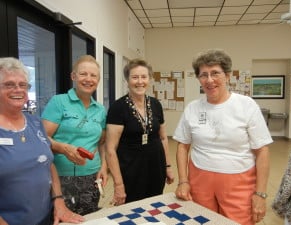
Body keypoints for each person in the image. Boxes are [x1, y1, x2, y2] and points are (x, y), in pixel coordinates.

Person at [173, 49, 273, 225]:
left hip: (238, 183)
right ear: (198, 79)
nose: (209, 80)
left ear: (227, 76)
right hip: (199, 180)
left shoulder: (246, 106)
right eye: (204, 75)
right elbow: (182, 146)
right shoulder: (193, 108)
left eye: (215, 73)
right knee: (201, 221)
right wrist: (183, 181)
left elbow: (262, 151)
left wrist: (260, 193)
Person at [0, 57, 84, 225]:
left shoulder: (35, 122)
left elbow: (48, 163)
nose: (18, 89)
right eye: (9, 84)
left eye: (23, 85)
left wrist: (59, 201)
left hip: (46, 218)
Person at [41, 55, 107, 215]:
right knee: (62, 218)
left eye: (93, 75)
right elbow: (41, 139)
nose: (88, 79)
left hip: (91, 176)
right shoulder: (59, 102)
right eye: (83, 74)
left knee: (89, 217)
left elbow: (102, 142)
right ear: (73, 76)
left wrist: (104, 166)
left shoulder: (100, 109)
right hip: (61, 177)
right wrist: (63, 148)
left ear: (98, 80)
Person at [105, 59, 174, 205]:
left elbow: (163, 138)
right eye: (135, 77)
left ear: (149, 79)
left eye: (144, 77)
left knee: (154, 207)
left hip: (156, 167)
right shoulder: (118, 108)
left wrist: (167, 166)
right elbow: (110, 149)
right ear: (127, 80)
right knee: (131, 211)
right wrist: (118, 184)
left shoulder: (155, 104)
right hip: (130, 170)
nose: (140, 81)